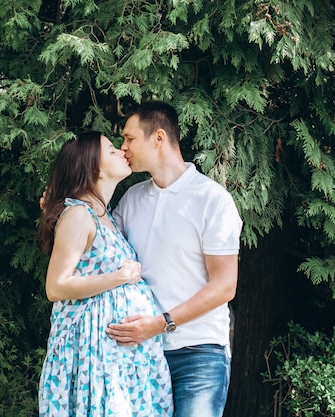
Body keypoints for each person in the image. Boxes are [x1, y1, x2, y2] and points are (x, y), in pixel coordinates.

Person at [105, 101, 243, 417]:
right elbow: (99, 243)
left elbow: (224, 286)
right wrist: (66, 206)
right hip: (142, 352)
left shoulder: (212, 200)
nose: (123, 147)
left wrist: (161, 323)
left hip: (199, 353)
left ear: (159, 138)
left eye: (129, 138)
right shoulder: (132, 199)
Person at [37, 131, 173, 417]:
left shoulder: (105, 217)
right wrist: (119, 277)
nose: (122, 151)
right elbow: (56, 286)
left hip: (117, 361)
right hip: (91, 358)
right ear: (94, 168)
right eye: (111, 150)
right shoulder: (79, 215)